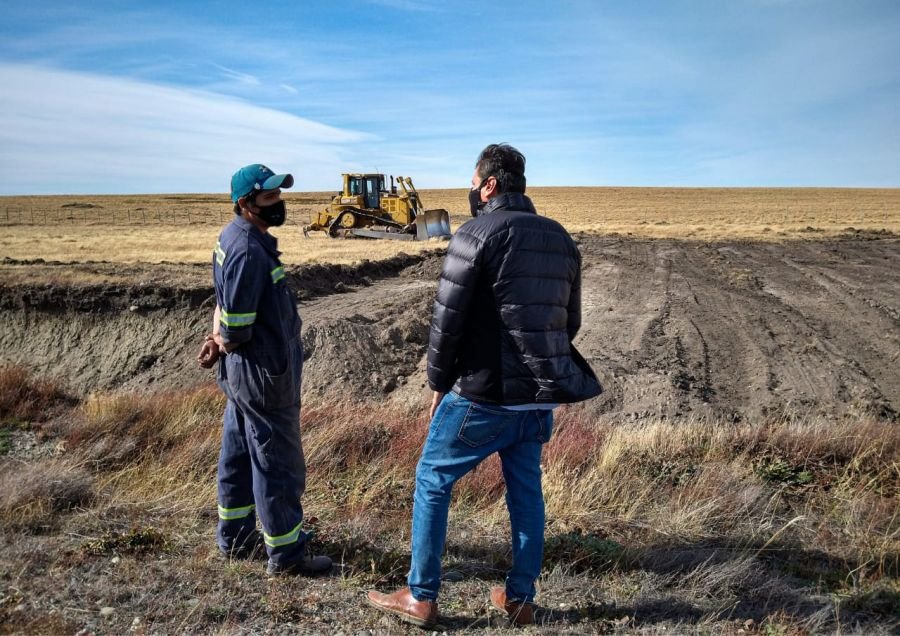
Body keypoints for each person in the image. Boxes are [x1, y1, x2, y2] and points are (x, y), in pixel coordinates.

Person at [366, 144, 601, 627]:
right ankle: (520, 600)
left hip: (483, 395)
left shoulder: (474, 234)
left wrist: (438, 383)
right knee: (526, 494)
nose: (471, 191)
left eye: (473, 183)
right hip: (537, 399)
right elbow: (569, 322)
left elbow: (446, 321)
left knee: (432, 479)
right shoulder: (560, 238)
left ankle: (421, 597)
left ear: (489, 185)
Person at [197, 163, 331, 576]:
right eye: (269, 196)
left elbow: (224, 304)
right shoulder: (248, 250)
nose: (279, 203)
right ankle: (287, 556)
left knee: (238, 456)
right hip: (262, 377)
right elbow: (237, 327)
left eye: (279, 195)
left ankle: (235, 538)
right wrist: (221, 340)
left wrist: (215, 338)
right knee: (278, 466)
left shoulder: (234, 237)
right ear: (246, 203)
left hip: (245, 377)